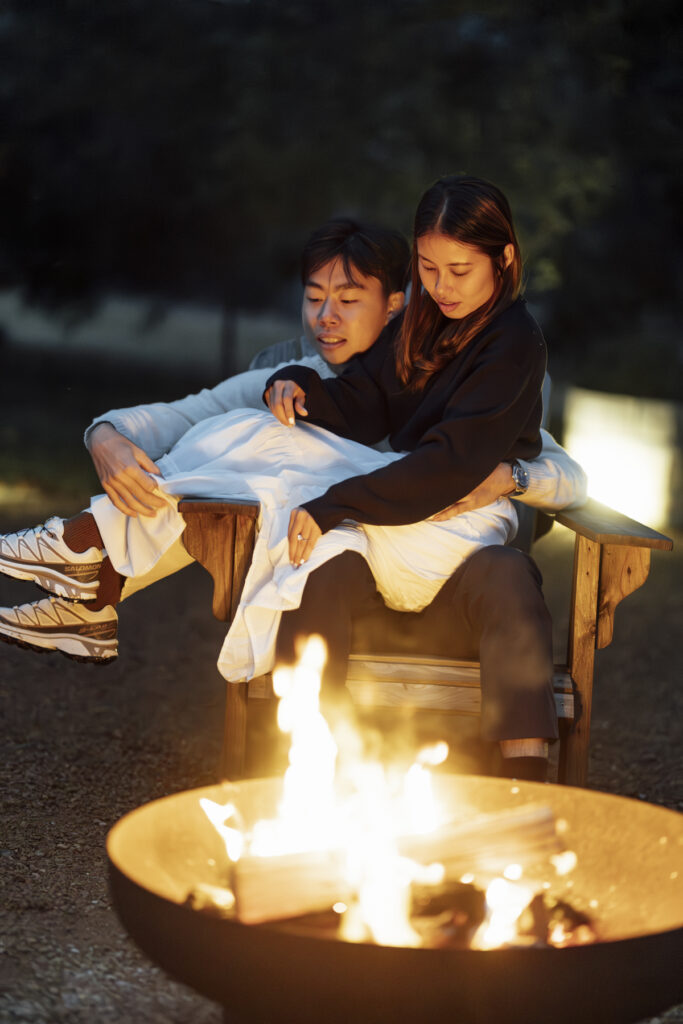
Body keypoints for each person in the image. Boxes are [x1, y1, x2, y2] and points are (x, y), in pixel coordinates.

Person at [0, 206, 584, 780]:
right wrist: (104, 433)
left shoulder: (491, 349)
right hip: (355, 550)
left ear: (393, 304)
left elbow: (560, 470)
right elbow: (185, 416)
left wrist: (513, 476)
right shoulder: (316, 373)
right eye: (314, 297)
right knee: (261, 444)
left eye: (350, 300)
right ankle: (93, 580)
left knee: (269, 444)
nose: (326, 317)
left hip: (432, 541)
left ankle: (90, 561)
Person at [265, 175, 565, 781]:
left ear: (503, 258)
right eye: (427, 268)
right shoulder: (416, 324)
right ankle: (310, 777)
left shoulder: (515, 343)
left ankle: (526, 786)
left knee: (510, 576)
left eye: (459, 269)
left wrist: (335, 503)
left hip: (462, 564)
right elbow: (364, 402)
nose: (441, 286)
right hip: (383, 562)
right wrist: (300, 383)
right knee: (320, 568)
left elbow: (450, 465)